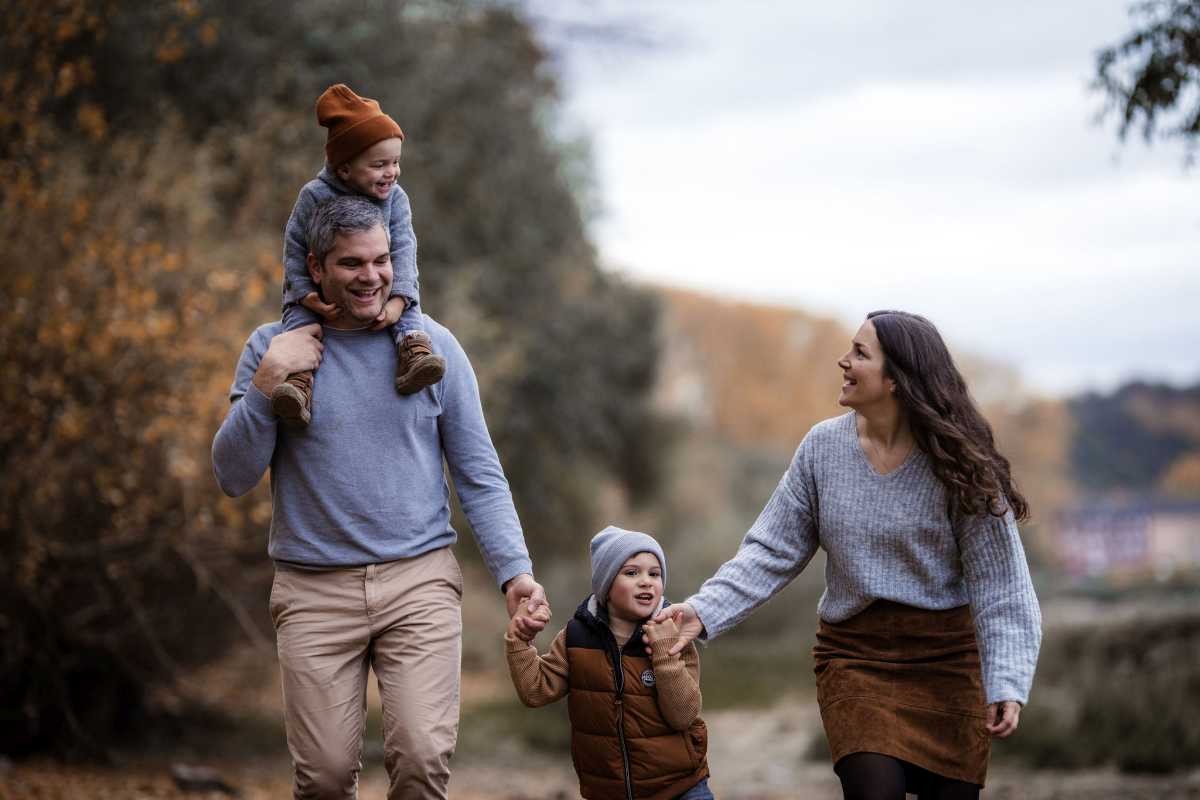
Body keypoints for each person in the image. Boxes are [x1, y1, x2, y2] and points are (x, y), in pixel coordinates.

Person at [212, 196, 548, 799]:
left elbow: (479, 472)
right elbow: (232, 475)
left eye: (381, 260)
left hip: (418, 582)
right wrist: (266, 384)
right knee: (325, 779)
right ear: (315, 267)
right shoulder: (274, 348)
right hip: (313, 590)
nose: (371, 276)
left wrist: (514, 573)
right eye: (351, 264)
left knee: (421, 761)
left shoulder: (430, 347)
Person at [655, 310, 1042, 800]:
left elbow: (1001, 586)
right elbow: (770, 552)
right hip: (857, 659)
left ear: (897, 380)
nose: (844, 361)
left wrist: (1006, 679)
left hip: (947, 664)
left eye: (860, 353)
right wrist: (700, 612)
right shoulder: (822, 449)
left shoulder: (957, 463)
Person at [272, 82, 445, 427]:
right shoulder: (314, 196)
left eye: (396, 162)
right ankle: (298, 385)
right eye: (380, 165)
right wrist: (307, 294)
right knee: (300, 327)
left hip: (390, 289)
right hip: (312, 290)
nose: (391, 173)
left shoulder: (395, 198)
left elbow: (403, 250)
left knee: (410, 307)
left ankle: (413, 353)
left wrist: (398, 300)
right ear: (345, 169)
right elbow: (294, 247)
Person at [506, 526, 713, 800]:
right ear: (606, 585)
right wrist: (519, 640)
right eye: (631, 573)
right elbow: (536, 690)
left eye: (654, 573)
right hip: (606, 790)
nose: (646, 581)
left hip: (680, 788)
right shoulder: (577, 637)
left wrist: (664, 654)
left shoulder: (673, 635)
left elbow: (683, 715)